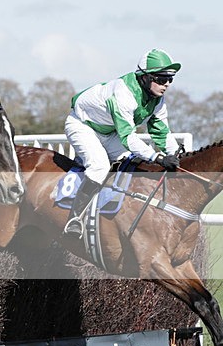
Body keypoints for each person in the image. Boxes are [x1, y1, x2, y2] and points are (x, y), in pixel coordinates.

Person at [63, 49, 182, 238]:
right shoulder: (123, 93)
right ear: (145, 77)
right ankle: (74, 220)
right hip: (82, 126)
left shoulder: (158, 100)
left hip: (109, 132)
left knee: (132, 163)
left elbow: (162, 132)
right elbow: (128, 138)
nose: (166, 84)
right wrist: (158, 157)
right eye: (161, 78)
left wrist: (179, 155)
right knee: (100, 167)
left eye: (170, 79)